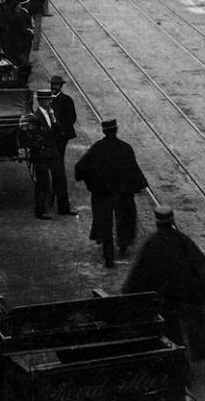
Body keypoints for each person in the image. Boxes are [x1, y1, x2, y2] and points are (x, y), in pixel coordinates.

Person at [123, 205, 205, 362]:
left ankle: (177, 360)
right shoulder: (183, 240)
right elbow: (201, 265)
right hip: (186, 296)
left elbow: (139, 274)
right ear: (172, 221)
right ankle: (197, 355)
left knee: (170, 332)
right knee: (195, 326)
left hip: (164, 300)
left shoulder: (151, 244)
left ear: (157, 223)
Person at [74, 119, 149, 268]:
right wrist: (137, 187)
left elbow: (81, 167)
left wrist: (91, 182)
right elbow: (133, 170)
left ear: (104, 131)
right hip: (122, 192)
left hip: (102, 193)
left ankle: (109, 257)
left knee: (104, 222)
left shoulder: (97, 148)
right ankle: (123, 244)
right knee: (125, 218)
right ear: (116, 130)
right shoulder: (125, 148)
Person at [28, 79, 76, 218]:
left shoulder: (49, 114)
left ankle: (64, 208)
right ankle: (40, 211)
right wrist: (43, 148)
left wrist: (54, 119)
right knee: (43, 183)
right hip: (43, 155)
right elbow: (33, 138)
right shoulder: (35, 117)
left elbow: (57, 130)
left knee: (60, 179)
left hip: (52, 153)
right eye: (48, 100)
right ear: (42, 101)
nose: (50, 102)